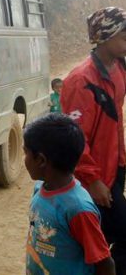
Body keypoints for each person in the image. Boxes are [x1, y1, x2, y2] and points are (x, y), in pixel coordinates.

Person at [62, 7, 126, 274]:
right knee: (100, 240)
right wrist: (93, 180)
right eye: (124, 35)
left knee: (106, 238)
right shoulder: (81, 81)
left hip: (115, 167)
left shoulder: (118, 67)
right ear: (105, 37)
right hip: (95, 177)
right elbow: (75, 138)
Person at [23, 113, 115, 275]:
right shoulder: (40, 188)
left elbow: (104, 263)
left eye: (26, 153)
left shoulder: (79, 209)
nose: (24, 159)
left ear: (41, 160)